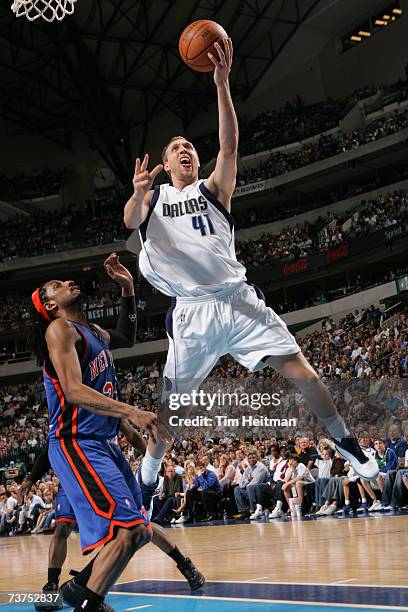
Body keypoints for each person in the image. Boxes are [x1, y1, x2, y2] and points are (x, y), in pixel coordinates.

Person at [123, 38, 378, 508]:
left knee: (304, 370)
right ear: (163, 163)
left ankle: (345, 440)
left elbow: (229, 144)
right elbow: (130, 221)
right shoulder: (155, 199)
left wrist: (221, 84)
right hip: (193, 316)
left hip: (238, 301)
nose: (185, 150)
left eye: (188, 147)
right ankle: (149, 472)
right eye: (175, 147)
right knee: (170, 415)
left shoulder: (213, 188)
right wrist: (139, 193)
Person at [28, 253, 158, 612]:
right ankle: (86, 600)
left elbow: (127, 337)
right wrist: (131, 412)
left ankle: (79, 589)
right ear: (51, 305)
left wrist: (128, 289)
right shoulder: (60, 330)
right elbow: (73, 390)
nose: (67, 282)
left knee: (141, 532)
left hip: (102, 443)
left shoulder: (90, 332)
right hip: (76, 443)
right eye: (56, 286)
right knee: (129, 531)